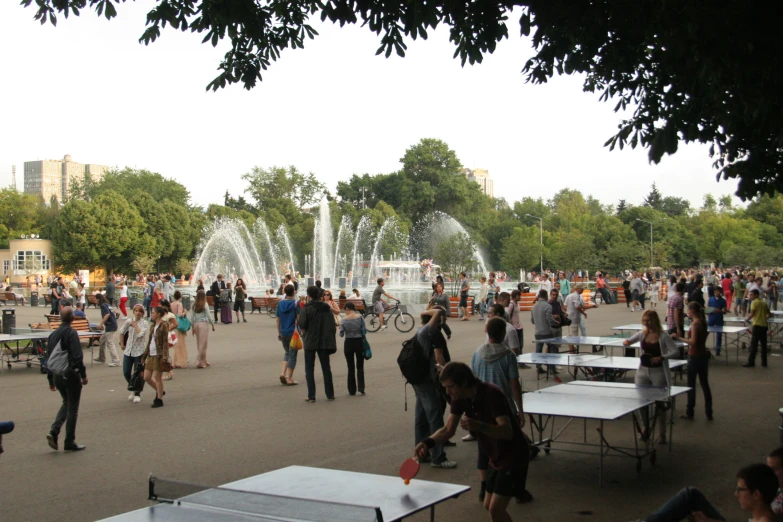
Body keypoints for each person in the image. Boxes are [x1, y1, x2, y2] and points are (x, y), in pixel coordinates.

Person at [414, 361, 529, 521]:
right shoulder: (459, 398)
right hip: (495, 457)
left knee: (496, 509)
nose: (448, 391)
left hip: (513, 456)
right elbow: (448, 429)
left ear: (465, 383)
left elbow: (507, 431)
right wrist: (427, 442)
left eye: (451, 386)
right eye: (445, 387)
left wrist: (479, 426)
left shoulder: (492, 394)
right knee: (489, 505)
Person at [470, 317, 530, 504]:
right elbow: (514, 385)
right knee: (511, 451)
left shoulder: (477, 354)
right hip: (504, 409)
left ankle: (483, 487)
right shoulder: (508, 356)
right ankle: (517, 490)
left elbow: (473, 383)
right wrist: (520, 410)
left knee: (484, 448)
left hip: (482, 410)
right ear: (503, 334)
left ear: (487, 332)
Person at [643, 463, 782, 522]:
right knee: (691, 494)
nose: (736, 494)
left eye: (740, 489)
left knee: (690, 495)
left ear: (756, 494)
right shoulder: (766, 516)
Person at [623, 310, 678, 444]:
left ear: (654, 320)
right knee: (642, 402)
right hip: (642, 371)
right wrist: (626, 342)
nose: (646, 323)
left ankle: (662, 433)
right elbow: (628, 341)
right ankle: (646, 427)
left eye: (648, 320)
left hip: (658, 372)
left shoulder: (664, 336)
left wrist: (662, 357)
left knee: (660, 403)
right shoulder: (642, 334)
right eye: (644, 320)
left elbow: (675, 351)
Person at [411, 308, 457, 468]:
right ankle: (438, 456)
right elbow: (438, 357)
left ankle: (421, 452)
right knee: (435, 415)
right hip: (426, 380)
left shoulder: (419, 331)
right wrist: (438, 311)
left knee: (421, 417)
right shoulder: (426, 332)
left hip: (418, 380)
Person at [45, 307, 88, 452]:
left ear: (60, 318)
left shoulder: (53, 335)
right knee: (73, 407)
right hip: (70, 374)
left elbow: (49, 358)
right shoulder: (71, 333)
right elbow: (77, 357)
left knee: (66, 402)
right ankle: (69, 441)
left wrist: (50, 380)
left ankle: (54, 431)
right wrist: (83, 375)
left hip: (57, 374)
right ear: (73, 318)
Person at [673, 302, 713, 421]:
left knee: (691, 385)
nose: (687, 312)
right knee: (704, 383)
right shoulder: (703, 322)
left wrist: (678, 338)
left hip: (694, 356)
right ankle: (709, 411)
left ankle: (690, 411)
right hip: (703, 355)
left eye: (688, 310)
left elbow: (693, 341)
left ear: (693, 311)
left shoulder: (695, 324)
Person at [298, 286, 336, 402]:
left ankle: (311, 395)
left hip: (310, 340)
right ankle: (329, 394)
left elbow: (302, 324)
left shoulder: (307, 308)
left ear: (309, 295)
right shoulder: (327, 308)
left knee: (309, 369)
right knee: (326, 368)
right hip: (324, 341)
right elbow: (332, 325)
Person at [119, 304, 150, 404]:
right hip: (128, 350)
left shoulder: (144, 323)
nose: (138, 313)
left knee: (138, 374)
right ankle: (133, 387)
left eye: (140, 311)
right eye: (136, 311)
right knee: (126, 372)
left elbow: (140, 334)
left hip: (139, 351)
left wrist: (135, 325)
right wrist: (122, 343)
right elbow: (121, 331)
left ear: (142, 313)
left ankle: (137, 393)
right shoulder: (129, 321)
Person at [141, 306, 170, 408]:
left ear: (158, 314)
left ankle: (159, 399)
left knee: (157, 377)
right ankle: (160, 391)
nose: (151, 314)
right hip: (151, 354)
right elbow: (150, 341)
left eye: (153, 313)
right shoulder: (153, 326)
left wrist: (165, 357)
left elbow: (166, 342)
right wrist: (144, 355)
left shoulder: (163, 325)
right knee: (146, 377)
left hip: (159, 355)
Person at [340, 302, 365, 396]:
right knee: (360, 366)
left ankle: (352, 390)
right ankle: (361, 388)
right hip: (359, 342)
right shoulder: (360, 317)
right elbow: (364, 330)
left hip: (349, 342)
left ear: (347, 309)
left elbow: (341, 334)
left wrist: (341, 331)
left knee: (350, 367)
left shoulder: (343, 320)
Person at [531, 289, 559, 375]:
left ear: (539, 296)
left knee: (538, 350)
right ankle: (551, 368)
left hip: (538, 332)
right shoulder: (547, 306)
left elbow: (532, 321)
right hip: (547, 332)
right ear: (546, 296)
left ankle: (538, 367)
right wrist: (556, 322)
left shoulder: (534, 307)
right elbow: (549, 319)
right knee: (551, 349)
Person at [276, 284, 299, 386]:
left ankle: (282, 373)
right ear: (293, 292)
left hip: (283, 331)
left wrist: (279, 332)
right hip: (292, 332)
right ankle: (289, 378)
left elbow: (277, 320)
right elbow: (298, 319)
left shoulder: (280, 304)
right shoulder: (295, 304)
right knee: (293, 354)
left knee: (287, 352)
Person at [744, 288, 771, 368]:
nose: (750, 296)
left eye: (751, 294)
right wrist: (763, 318)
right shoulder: (764, 303)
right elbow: (769, 314)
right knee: (763, 345)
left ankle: (751, 362)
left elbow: (752, 314)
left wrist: (746, 319)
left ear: (756, 295)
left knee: (754, 344)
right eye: (749, 294)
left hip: (757, 325)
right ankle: (764, 362)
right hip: (764, 325)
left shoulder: (754, 302)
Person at [189, 290, 215, 368]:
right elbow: (208, 315)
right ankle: (199, 361)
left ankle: (203, 360)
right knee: (203, 343)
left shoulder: (193, 304)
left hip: (196, 324)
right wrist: (212, 324)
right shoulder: (205, 304)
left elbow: (192, 317)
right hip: (203, 324)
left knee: (199, 343)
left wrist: (192, 326)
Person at [96, 293, 120, 367]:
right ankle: (101, 357)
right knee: (102, 340)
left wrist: (100, 324)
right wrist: (116, 315)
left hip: (110, 326)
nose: (95, 301)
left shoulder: (103, 305)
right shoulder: (107, 304)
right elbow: (115, 312)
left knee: (110, 343)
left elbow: (107, 314)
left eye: (95, 299)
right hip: (112, 325)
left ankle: (116, 361)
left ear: (98, 299)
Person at [707, 287, 728, 356]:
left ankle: (718, 350)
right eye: (716, 291)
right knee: (705, 333)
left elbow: (725, 311)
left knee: (719, 335)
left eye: (718, 291)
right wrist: (709, 312)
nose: (717, 293)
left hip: (719, 318)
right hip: (711, 318)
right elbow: (707, 309)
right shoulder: (710, 299)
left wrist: (720, 311)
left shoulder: (723, 300)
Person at [170, 291, 189, 369]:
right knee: (180, 343)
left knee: (175, 343)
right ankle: (180, 361)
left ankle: (175, 361)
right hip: (179, 324)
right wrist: (185, 312)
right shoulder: (179, 304)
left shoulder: (171, 304)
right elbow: (180, 314)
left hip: (172, 323)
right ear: (180, 297)